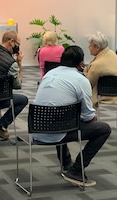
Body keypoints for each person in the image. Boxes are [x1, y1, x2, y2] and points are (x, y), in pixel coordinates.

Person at [33, 45, 112, 188]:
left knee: (63, 117)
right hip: (57, 132)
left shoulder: (49, 74)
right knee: (104, 129)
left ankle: (66, 163)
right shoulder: (81, 80)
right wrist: (93, 118)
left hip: (37, 129)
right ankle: (76, 170)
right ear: (81, 63)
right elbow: (88, 116)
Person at [84, 32, 117, 107]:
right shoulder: (112, 53)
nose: (88, 47)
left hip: (107, 94)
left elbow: (88, 84)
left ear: (97, 47)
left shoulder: (97, 64)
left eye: (90, 45)